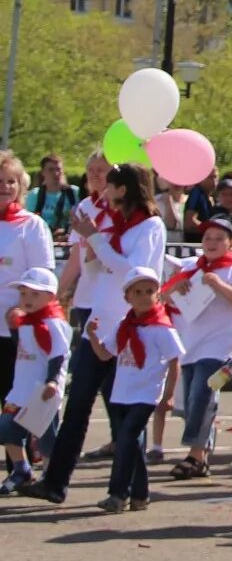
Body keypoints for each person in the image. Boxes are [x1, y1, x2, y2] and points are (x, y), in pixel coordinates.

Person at [22, 162, 165, 504]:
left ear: (125, 189)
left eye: (111, 185)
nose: (104, 192)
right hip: (100, 323)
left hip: (129, 329)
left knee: (122, 414)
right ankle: (55, 483)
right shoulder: (113, 223)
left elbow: (135, 273)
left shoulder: (150, 225)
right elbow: (99, 264)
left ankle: (133, 490)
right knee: (78, 405)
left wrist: (96, 239)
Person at [161, 217, 232, 479]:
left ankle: (194, 455)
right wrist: (174, 287)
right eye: (207, 238)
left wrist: (219, 284)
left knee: (203, 396)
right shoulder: (192, 266)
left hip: (219, 345)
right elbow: (162, 295)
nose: (212, 243)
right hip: (189, 343)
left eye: (219, 238)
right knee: (192, 402)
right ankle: (202, 457)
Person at [93, 266, 181, 514]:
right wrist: (91, 336)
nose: (144, 296)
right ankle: (140, 495)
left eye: (150, 291)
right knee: (131, 444)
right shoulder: (125, 325)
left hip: (146, 394)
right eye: (138, 291)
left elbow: (175, 361)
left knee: (126, 439)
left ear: (158, 295)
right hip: (122, 393)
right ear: (127, 297)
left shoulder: (162, 328)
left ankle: (118, 494)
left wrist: (169, 394)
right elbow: (104, 353)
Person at [0, 267, 68, 492]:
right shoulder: (27, 322)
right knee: (6, 428)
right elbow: (24, 349)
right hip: (21, 389)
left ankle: (51, 476)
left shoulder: (53, 323)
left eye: (35, 294)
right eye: (23, 293)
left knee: (46, 436)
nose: (27, 299)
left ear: (50, 296)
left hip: (42, 391)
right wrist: (13, 329)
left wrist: (52, 381)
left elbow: (58, 354)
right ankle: (21, 468)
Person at [0, 153, 57, 413]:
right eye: (0, 181)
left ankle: (22, 455)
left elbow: (43, 275)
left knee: (17, 405)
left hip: (17, 330)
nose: (5, 187)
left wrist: (25, 310)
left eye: (11, 181)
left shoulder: (31, 225)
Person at [25, 156, 76, 235]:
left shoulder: (73, 192)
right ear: (43, 172)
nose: (56, 173)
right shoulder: (34, 195)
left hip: (67, 240)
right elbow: (29, 223)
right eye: (51, 170)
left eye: (58, 169)